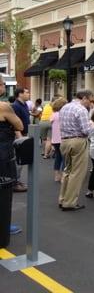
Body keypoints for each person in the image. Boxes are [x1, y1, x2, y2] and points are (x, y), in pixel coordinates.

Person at [58, 90, 94, 211]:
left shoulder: (65, 107)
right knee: (77, 173)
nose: (91, 103)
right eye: (90, 100)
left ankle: (62, 199)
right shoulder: (82, 110)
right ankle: (69, 203)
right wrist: (93, 125)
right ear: (84, 98)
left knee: (67, 170)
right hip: (78, 141)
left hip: (64, 141)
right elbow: (86, 131)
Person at [0, 75, 24, 236]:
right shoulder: (4, 106)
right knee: (4, 191)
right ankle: (3, 225)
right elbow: (19, 125)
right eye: (3, 84)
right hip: (2, 153)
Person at [11, 87, 30, 192]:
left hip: (24, 134)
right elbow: (14, 124)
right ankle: (14, 183)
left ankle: (16, 180)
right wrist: (20, 139)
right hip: (19, 136)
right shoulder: (15, 106)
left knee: (20, 161)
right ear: (20, 94)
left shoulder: (25, 105)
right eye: (26, 92)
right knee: (18, 160)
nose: (29, 94)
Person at [50, 97, 67, 182]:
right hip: (63, 138)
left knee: (58, 157)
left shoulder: (53, 114)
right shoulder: (63, 114)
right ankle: (64, 176)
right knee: (65, 158)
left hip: (55, 139)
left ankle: (57, 175)